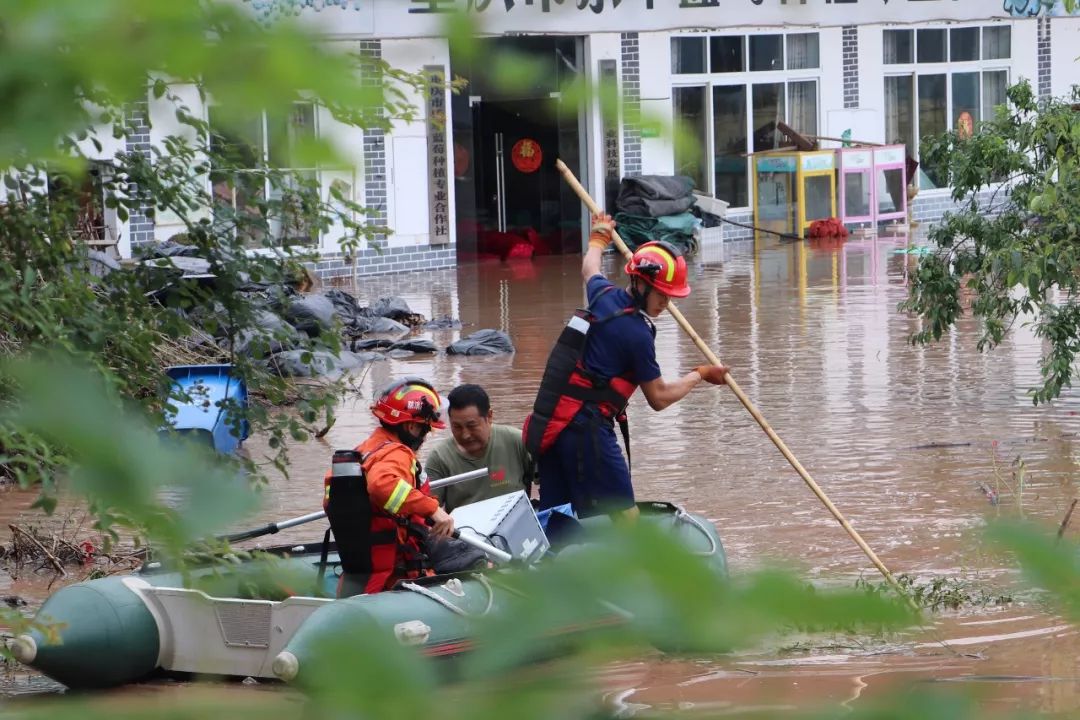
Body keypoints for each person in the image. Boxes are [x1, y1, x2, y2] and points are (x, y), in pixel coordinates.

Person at [523, 213, 729, 520]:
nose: (666, 303)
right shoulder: (636, 334)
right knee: (625, 515)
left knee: (558, 515)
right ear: (641, 283)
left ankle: (558, 564)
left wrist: (598, 238)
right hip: (586, 427)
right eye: (663, 294)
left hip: (558, 423)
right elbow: (658, 398)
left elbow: (589, 268)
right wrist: (699, 374)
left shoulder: (605, 295)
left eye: (671, 297)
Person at [323, 376, 455, 597]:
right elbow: (381, 485)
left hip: (362, 572)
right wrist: (434, 510)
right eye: (425, 430)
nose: (425, 437)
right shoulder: (397, 452)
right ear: (412, 427)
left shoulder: (366, 450)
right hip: (394, 578)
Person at [426, 383, 535, 512]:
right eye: (457, 427)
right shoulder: (439, 458)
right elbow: (428, 509)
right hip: (466, 530)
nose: (465, 435)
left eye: (472, 426)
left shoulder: (517, 441)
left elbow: (547, 482)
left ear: (489, 416)